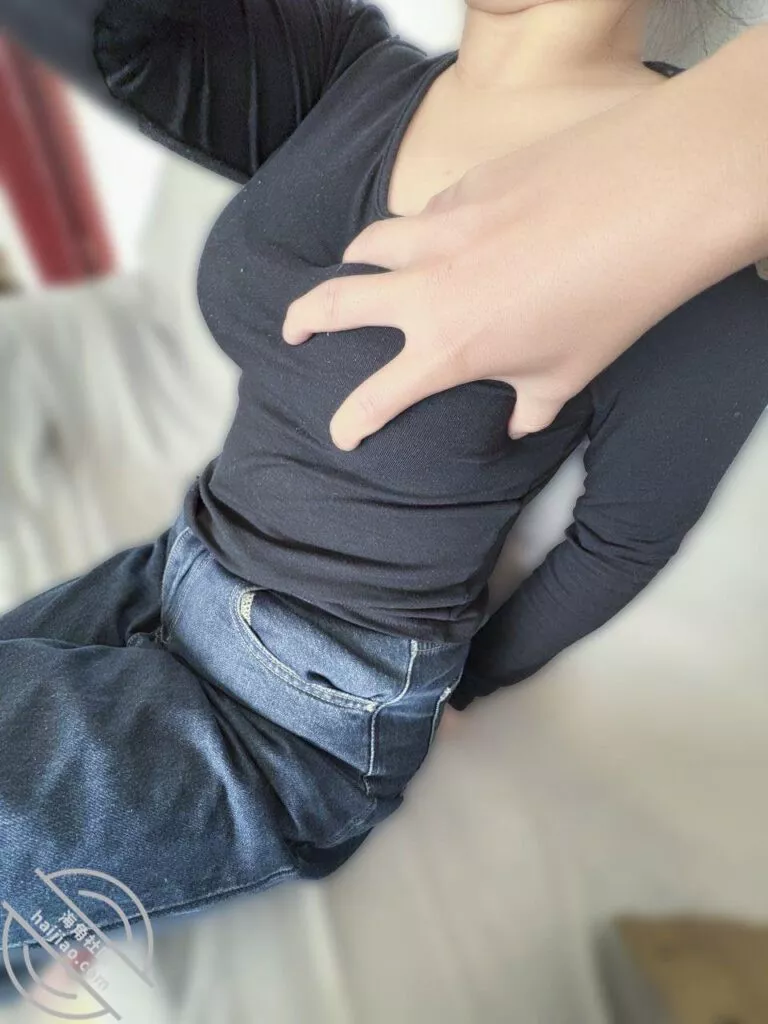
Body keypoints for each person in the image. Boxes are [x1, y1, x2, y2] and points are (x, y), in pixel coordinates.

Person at [0, 0, 766, 982]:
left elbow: (619, 544)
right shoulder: (344, 69)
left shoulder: (698, 256)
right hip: (166, 573)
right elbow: (82, 24)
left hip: (300, 714)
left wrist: (472, 683)